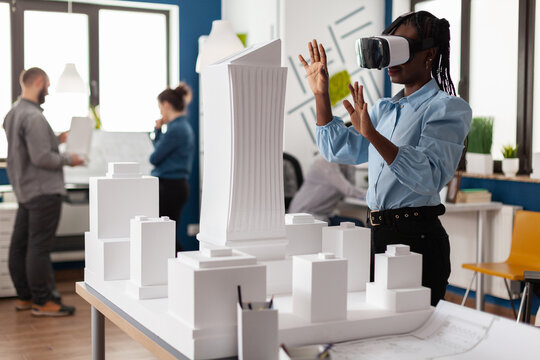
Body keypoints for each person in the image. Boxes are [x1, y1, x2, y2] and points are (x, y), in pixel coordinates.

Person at [298, 11, 472, 305]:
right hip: (377, 235)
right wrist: (321, 95)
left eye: (400, 48)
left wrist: (374, 137)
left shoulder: (447, 108)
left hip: (417, 239)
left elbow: (429, 176)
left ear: (429, 54)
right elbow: (335, 148)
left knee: (413, 339)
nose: (390, 61)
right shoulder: (381, 110)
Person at [3, 67, 84, 316]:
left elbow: (28, 149)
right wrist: (71, 158)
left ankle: (25, 297)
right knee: (39, 248)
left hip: (25, 190)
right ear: (39, 82)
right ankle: (43, 300)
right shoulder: (35, 117)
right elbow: (41, 158)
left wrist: (57, 139)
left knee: (20, 246)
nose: (48, 91)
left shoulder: (12, 114)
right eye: (47, 86)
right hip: (43, 192)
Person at [150, 83, 195, 253]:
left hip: (169, 187)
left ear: (167, 105)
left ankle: (182, 269)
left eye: (160, 108)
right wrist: (159, 130)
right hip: (176, 187)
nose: (161, 112)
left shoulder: (176, 129)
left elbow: (154, 157)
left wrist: (157, 130)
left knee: (165, 236)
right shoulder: (182, 128)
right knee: (168, 235)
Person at [288, 139, 366, 226]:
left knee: (357, 224)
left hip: (323, 214)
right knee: (357, 225)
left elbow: (350, 186)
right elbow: (348, 190)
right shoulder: (323, 162)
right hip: (304, 215)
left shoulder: (342, 161)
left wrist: (351, 162)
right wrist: (372, 196)